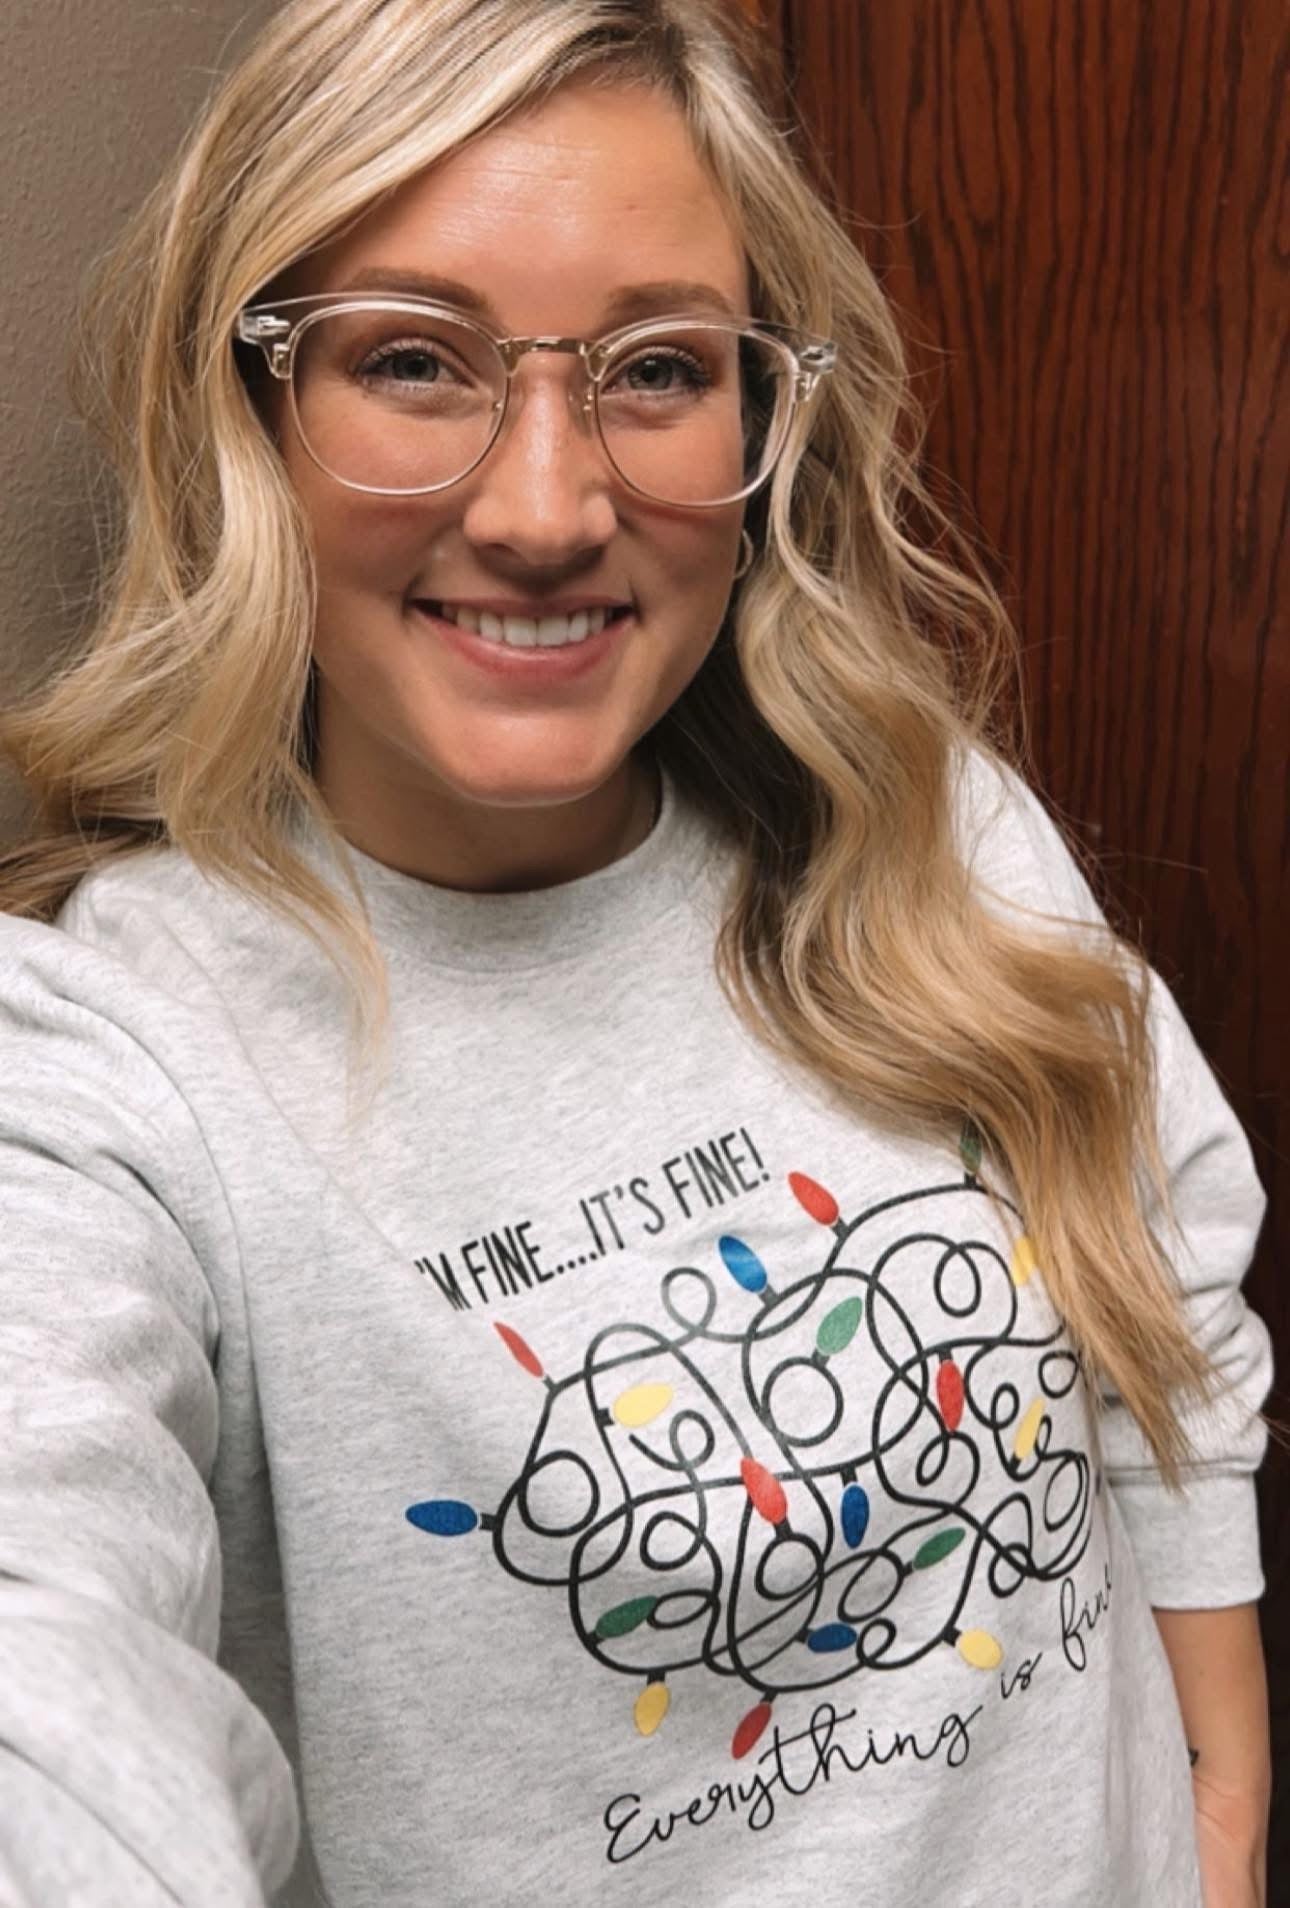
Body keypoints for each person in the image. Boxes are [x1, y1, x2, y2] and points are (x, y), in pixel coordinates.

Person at [0, 1, 1273, 1903]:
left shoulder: (924, 825)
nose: (546, 510)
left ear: (762, 420)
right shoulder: (108, 1058)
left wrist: (1221, 1815)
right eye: (413, 361)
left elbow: (1156, 1293)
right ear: (249, 414)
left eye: (657, 369)